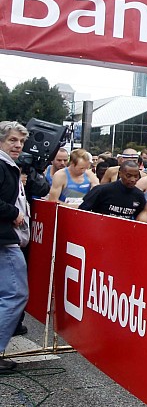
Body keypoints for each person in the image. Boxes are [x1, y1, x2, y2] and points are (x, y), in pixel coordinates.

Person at [0, 121, 49, 373]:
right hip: (4, 239)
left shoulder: (10, 165)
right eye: (12, 140)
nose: (18, 145)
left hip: (7, 238)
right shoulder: (2, 165)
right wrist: (14, 213)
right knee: (15, 293)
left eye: (21, 141)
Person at [79, 160, 147, 220]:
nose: (133, 180)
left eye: (136, 176)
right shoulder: (102, 190)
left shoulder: (139, 195)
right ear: (120, 174)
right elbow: (82, 211)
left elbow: (141, 219)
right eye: (128, 176)